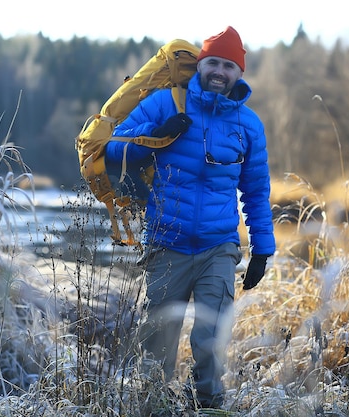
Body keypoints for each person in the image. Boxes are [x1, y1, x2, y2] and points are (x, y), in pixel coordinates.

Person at [104, 26, 275, 409]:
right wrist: (156, 133)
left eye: (229, 65)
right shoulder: (167, 103)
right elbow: (113, 151)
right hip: (167, 245)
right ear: (201, 64)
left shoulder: (249, 126)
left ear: (239, 73)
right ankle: (151, 407)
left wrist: (262, 249)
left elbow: (256, 192)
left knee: (210, 340)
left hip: (219, 247)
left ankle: (210, 407)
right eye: (213, 62)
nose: (220, 71)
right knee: (158, 344)